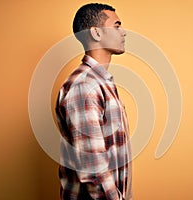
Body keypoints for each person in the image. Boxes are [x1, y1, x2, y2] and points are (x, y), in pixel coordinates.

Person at [55, 3, 132, 200]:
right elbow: (94, 172)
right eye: (116, 25)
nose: (123, 32)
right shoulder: (85, 87)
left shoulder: (100, 83)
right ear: (96, 33)